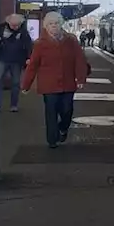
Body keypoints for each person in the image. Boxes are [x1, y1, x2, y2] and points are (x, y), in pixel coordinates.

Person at [21, 11, 89, 148]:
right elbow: (33, 65)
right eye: (51, 24)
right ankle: (52, 139)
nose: (54, 26)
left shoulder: (71, 40)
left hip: (68, 82)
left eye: (56, 23)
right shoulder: (40, 43)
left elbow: (79, 60)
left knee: (67, 110)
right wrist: (26, 85)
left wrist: (81, 79)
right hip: (48, 84)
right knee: (51, 112)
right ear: (46, 26)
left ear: (61, 24)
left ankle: (63, 128)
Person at [0, 13, 34, 112]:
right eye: (13, 25)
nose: (15, 27)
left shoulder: (23, 31)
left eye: (17, 25)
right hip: (2, 58)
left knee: (16, 83)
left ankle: (13, 105)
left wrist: (29, 57)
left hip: (17, 60)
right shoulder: (0, 29)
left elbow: (28, 45)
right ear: (8, 22)